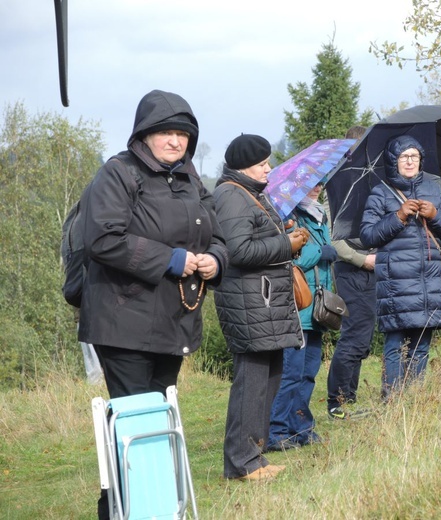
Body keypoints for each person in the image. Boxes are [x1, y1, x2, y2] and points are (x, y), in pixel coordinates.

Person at [79, 89, 228, 519]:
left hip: (172, 321)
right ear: (144, 135)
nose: (175, 141)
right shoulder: (119, 173)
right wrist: (174, 259)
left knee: (158, 419)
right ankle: (137, 510)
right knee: (135, 421)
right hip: (122, 322)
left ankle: (143, 507)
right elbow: (104, 238)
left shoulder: (191, 179)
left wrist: (214, 260)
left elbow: (217, 235)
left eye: (183, 134)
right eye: (165, 132)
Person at [213, 134, 308, 482]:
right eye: (262, 163)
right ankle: (241, 463)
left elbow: (254, 239)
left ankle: (255, 456)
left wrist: (280, 233)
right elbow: (237, 251)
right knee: (251, 383)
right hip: (250, 303)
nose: (269, 168)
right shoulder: (230, 195)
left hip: (264, 303)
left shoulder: (250, 193)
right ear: (243, 167)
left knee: (268, 379)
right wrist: (284, 243)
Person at [359, 135, 441, 400]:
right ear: (394, 161)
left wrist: (435, 215)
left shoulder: (434, 189)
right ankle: (392, 399)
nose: (411, 161)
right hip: (396, 282)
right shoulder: (380, 192)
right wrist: (399, 216)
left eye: (415, 156)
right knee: (395, 344)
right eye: (404, 157)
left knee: (422, 344)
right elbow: (368, 236)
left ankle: (414, 400)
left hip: (429, 280)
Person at [268, 182, 338, 449]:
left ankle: (301, 427)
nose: (316, 188)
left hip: (317, 308)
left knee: (308, 372)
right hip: (296, 304)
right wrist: (321, 252)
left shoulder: (318, 217)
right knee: (291, 372)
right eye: (309, 184)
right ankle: (276, 431)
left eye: (319, 183)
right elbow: (291, 258)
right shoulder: (287, 216)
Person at [326, 125, 378, 419]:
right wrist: (363, 260)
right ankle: (337, 402)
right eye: (359, 148)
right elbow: (334, 239)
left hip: (368, 269)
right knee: (354, 336)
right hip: (350, 269)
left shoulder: (363, 183)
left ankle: (350, 399)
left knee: (363, 335)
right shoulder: (337, 185)